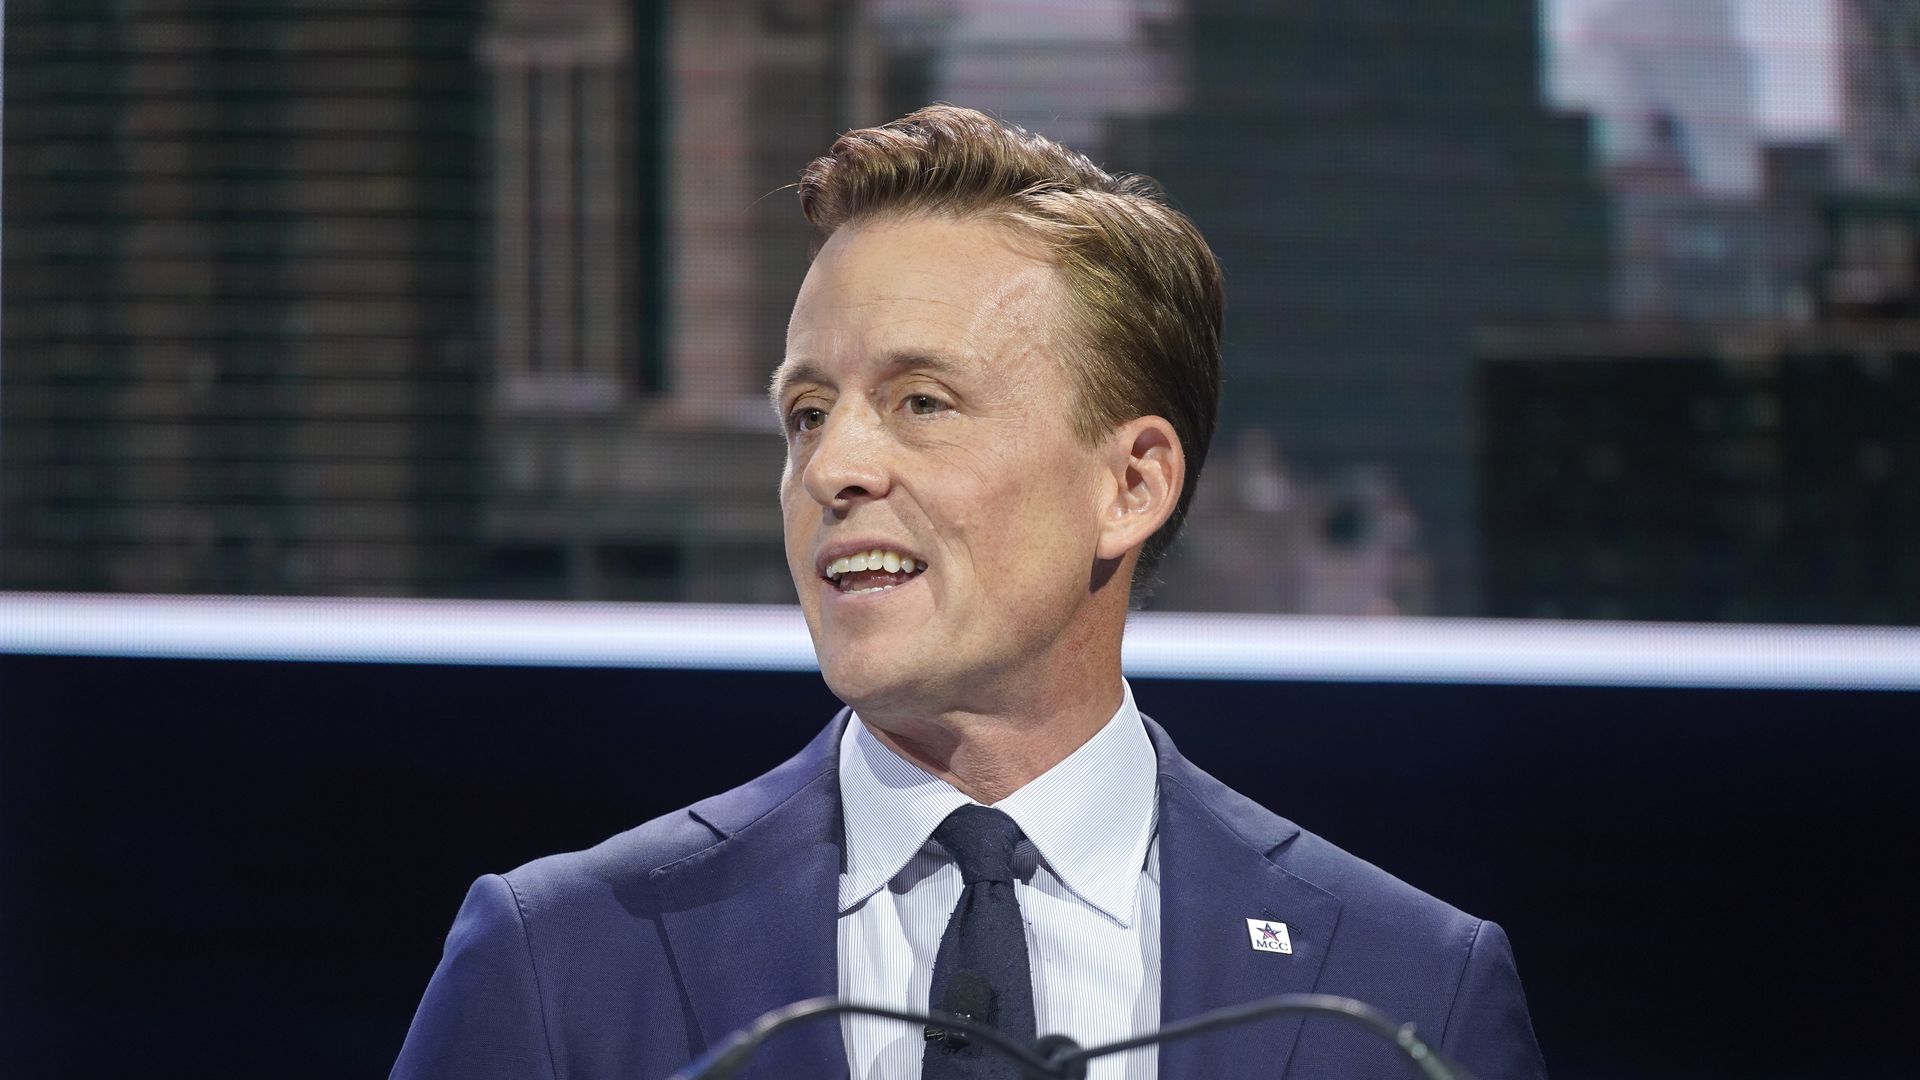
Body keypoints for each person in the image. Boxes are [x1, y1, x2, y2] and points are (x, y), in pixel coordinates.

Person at [391, 105, 1546, 1080]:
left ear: (1130, 484)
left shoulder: (1404, 997)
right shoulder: (562, 963)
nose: (833, 469)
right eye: (808, 414)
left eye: (922, 403)